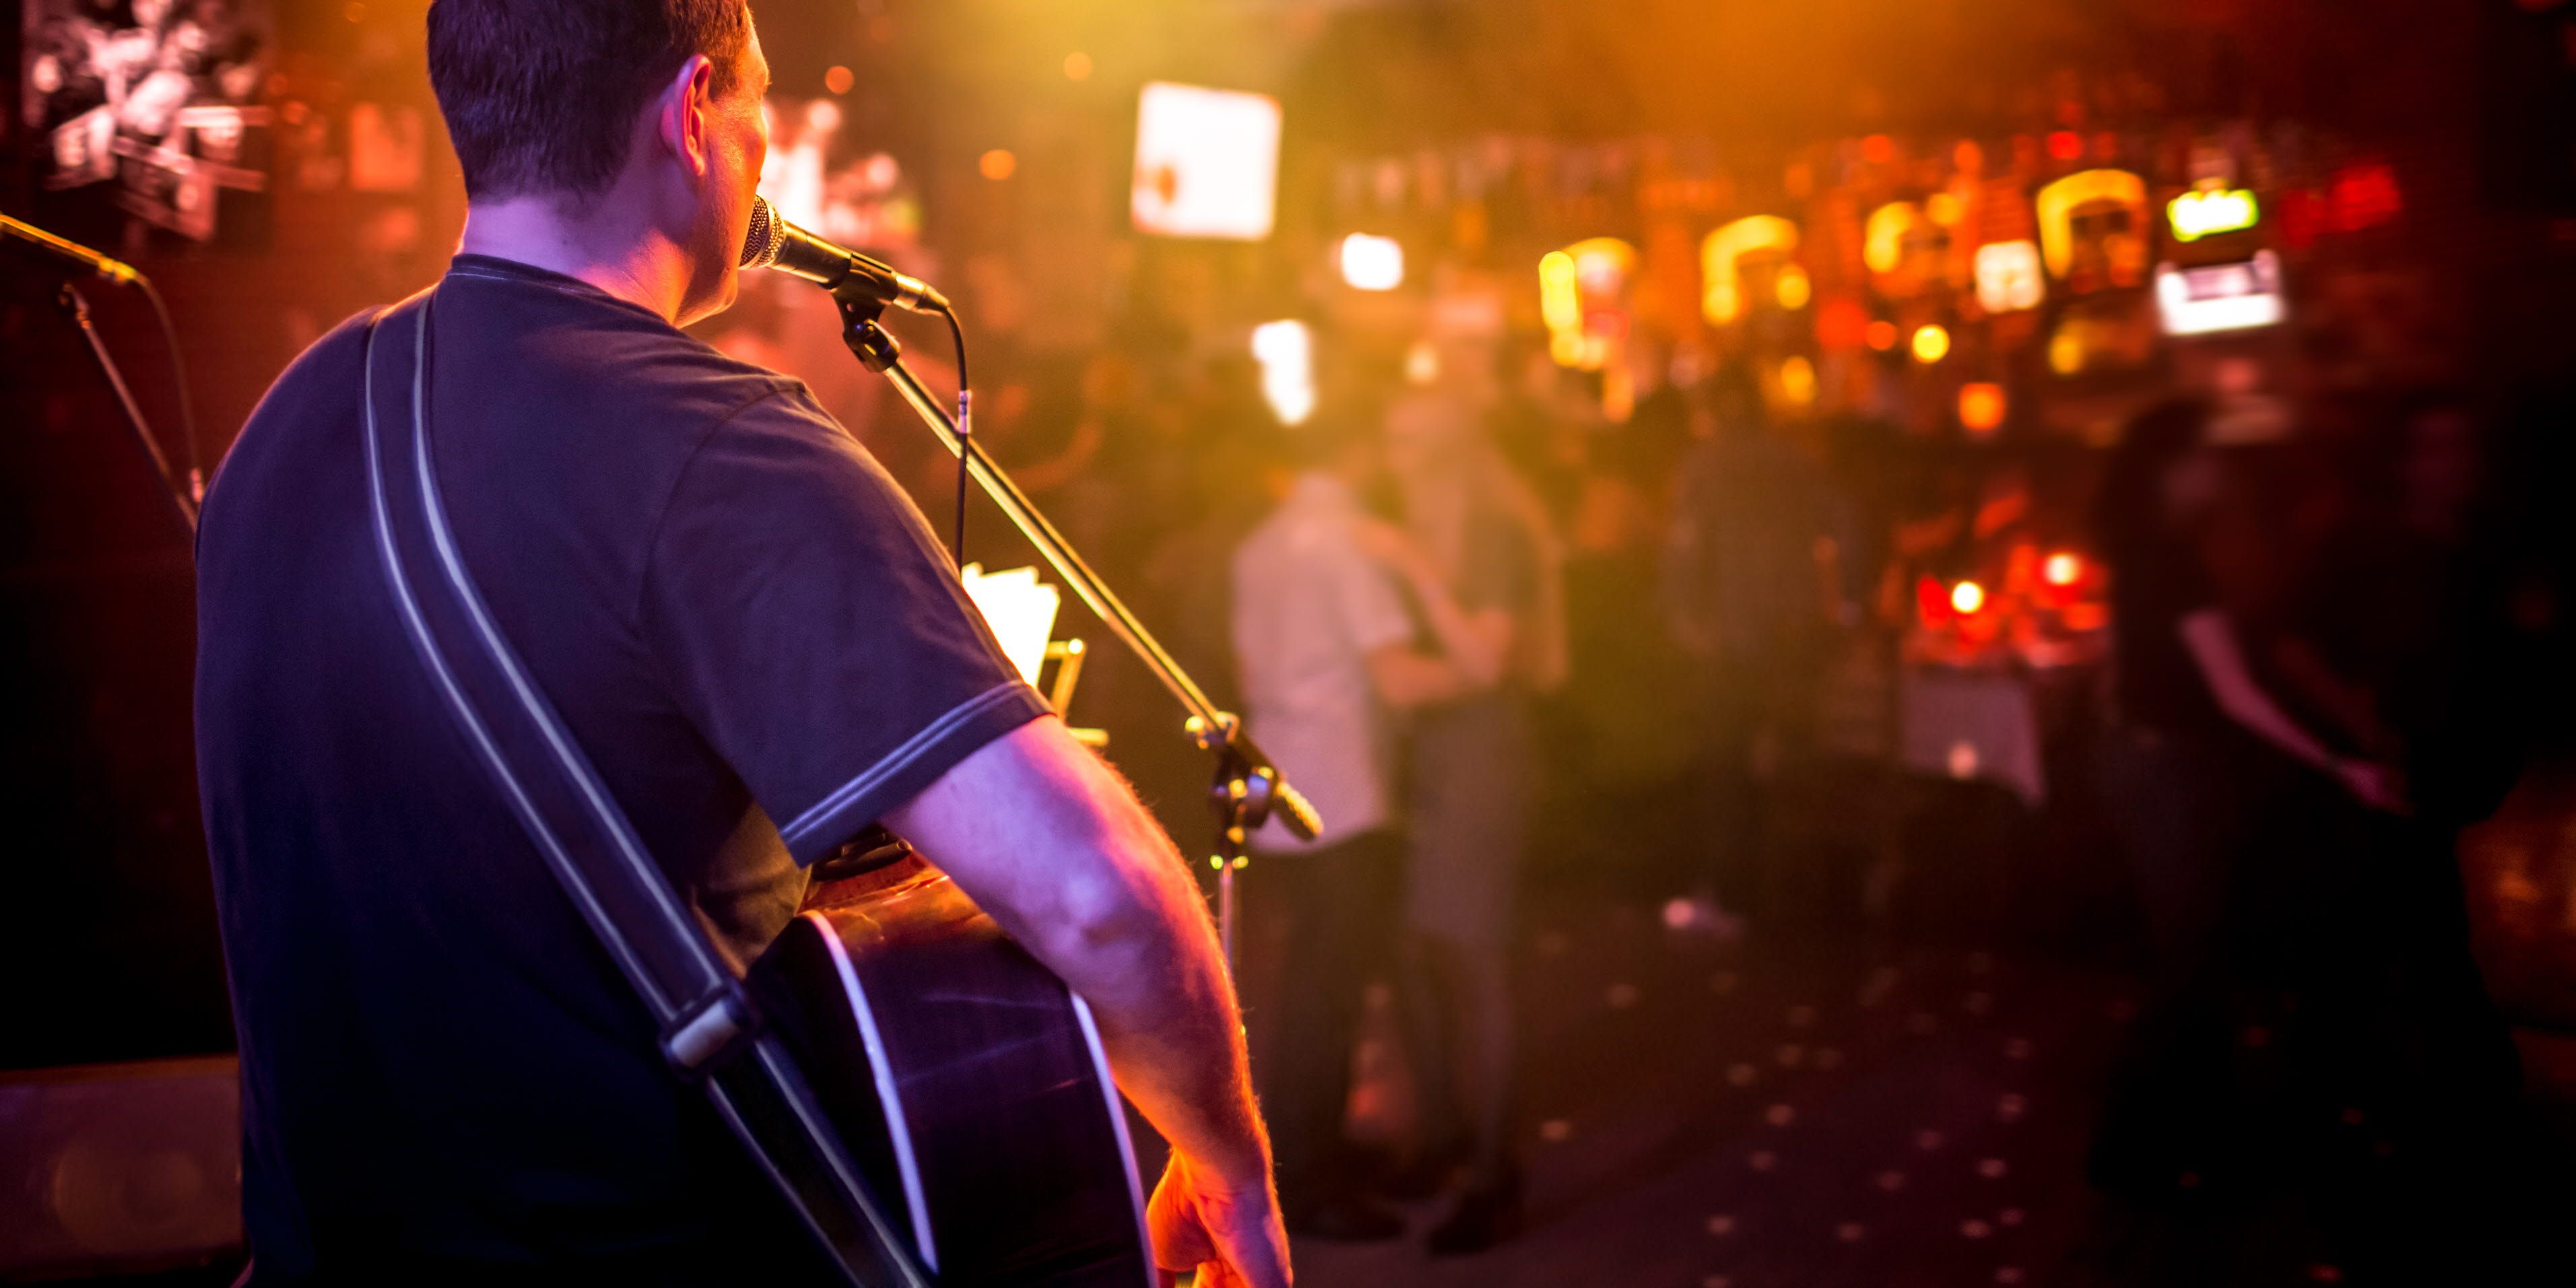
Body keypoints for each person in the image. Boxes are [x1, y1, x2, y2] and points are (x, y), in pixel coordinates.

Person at [191, 3, 1286, 1283]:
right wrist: (1231, 1155)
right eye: (761, 111)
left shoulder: (295, 416)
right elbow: (1098, 899)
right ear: (693, 110)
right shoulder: (722, 445)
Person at [1230, 405, 1499, 1242]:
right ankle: (1308, 1180)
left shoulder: (1259, 545)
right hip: (1345, 791)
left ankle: (1312, 1155)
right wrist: (1481, 673)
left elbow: (1246, 666)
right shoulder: (1353, 541)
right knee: (1329, 990)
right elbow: (1398, 678)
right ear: (1353, 452)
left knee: (1308, 979)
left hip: (1282, 783)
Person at [1381, 380, 1562, 1254]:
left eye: (1415, 441)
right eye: (1393, 439)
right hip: (1430, 762)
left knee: (1475, 956)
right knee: (1419, 950)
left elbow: (1486, 660)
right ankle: (1445, 1136)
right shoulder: (1432, 523)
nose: (1397, 457)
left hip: (1485, 762)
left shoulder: (1490, 530)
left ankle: (1495, 1174)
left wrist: (1414, 574)